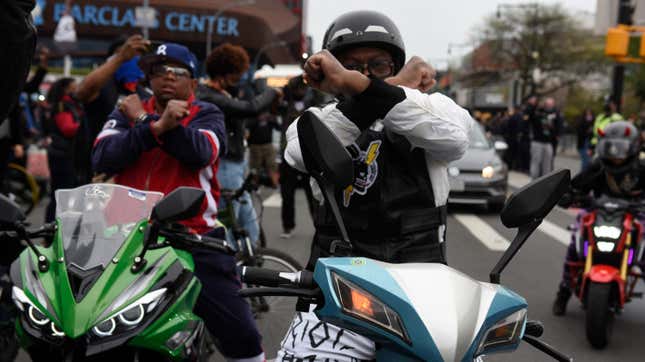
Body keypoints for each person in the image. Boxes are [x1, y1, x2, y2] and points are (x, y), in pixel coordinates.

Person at [277, 10, 473, 360]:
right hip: (336, 294)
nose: (361, 74)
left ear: (395, 63)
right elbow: (300, 154)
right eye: (350, 65)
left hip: (423, 291)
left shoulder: (434, 106)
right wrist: (375, 90)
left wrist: (372, 90)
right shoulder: (317, 119)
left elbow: (455, 140)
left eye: (378, 65)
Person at [91, 43, 264, 362]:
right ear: (148, 79)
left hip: (193, 239)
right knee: (94, 332)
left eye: (178, 72)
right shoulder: (126, 110)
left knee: (243, 337)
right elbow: (102, 157)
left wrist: (148, 123)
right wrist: (152, 125)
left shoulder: (208, 113)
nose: (167, 77)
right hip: (125, 241)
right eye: (158, 71)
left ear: (193, 83)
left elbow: (199, 152)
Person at [553, 121, 645, 316]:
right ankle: (564, 291)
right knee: (575, 244)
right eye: (611, 147)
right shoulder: (598, 166)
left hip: (634, 214)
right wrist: (567, 195)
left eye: (621, 148)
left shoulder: (641, 167)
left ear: (634, 147)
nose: (616, 154)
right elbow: (575, 186)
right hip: (599, 213)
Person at [196, 43, 280, 247]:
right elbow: (251, 108)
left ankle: (245, 263)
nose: (240, 79)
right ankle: (232, 268)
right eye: (237, 74)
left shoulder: (223, 94)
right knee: (229, 223)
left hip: (236, 163)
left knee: (249, 224)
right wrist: (271, 92)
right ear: (224, 73)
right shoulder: (208, 96)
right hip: (224, 166)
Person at [75, 34, 151, 183]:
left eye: (137, 57)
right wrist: (120, 57)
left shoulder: (144, 94)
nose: (132, 61)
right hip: (96, 174)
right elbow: (82, 92)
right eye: (127, 56)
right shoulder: (103, 86)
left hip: (130, 175)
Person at [278, 74, 323, 238]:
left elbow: (323, 98)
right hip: (288, 155)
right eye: (298, 88)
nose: (300, 91)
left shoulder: (312, 105)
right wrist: (287, 90)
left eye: (303, 88)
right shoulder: (285, 105)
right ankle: (287, 227)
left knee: (313, 194)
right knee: (287, 194)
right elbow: (274, 105)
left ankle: (318, 226)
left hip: (308, 155)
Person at [44, 78, 86, 223]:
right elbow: (67, 129)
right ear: (66, 89)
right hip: (62, 155)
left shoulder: (74, 104)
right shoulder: (63, 105)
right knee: (60, 195)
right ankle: (49, 232)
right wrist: (85, 126)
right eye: (74, 87)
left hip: (68, 155)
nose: (78, 89)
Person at [530, 97, 562, 179]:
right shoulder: (538, 112)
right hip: (537, 141)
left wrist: (557, 133)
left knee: (547, 165)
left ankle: (545, 182)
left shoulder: (556, 114)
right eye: (547, 104)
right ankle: (534, 181)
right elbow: (531, 117)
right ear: (545, 104)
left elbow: (559, 127)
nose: (549, 106)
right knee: (536, 162)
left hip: (548, 143)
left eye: (551, 104)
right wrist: (533, 105)